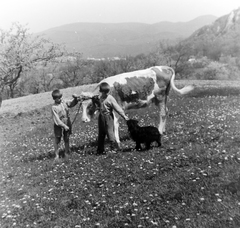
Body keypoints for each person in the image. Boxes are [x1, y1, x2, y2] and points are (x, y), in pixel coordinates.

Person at [96, 82, 129, 155]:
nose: (103, 93)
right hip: (101, 117)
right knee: (101, 134)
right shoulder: (101, 97)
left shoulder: (110, 98)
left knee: (110, 132)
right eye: (102, 92)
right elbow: (100, 105)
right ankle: (100, 150)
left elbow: (117, 107)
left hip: (108, 117)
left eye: (104, 92)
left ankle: (114, 148)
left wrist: (124, 116)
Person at [51, 89, 82, 160]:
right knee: (57, 139)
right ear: (55, 99)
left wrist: (76, 99)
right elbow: (57, 120)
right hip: (58, 125)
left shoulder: (64, 102)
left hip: (67, 122)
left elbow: (71, 103)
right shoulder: (54, 107)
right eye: (59, 98)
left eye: (61, 97)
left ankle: (67, 152)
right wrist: (64, 126)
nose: (61, 99)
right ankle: (56, 155)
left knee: (66, 138)